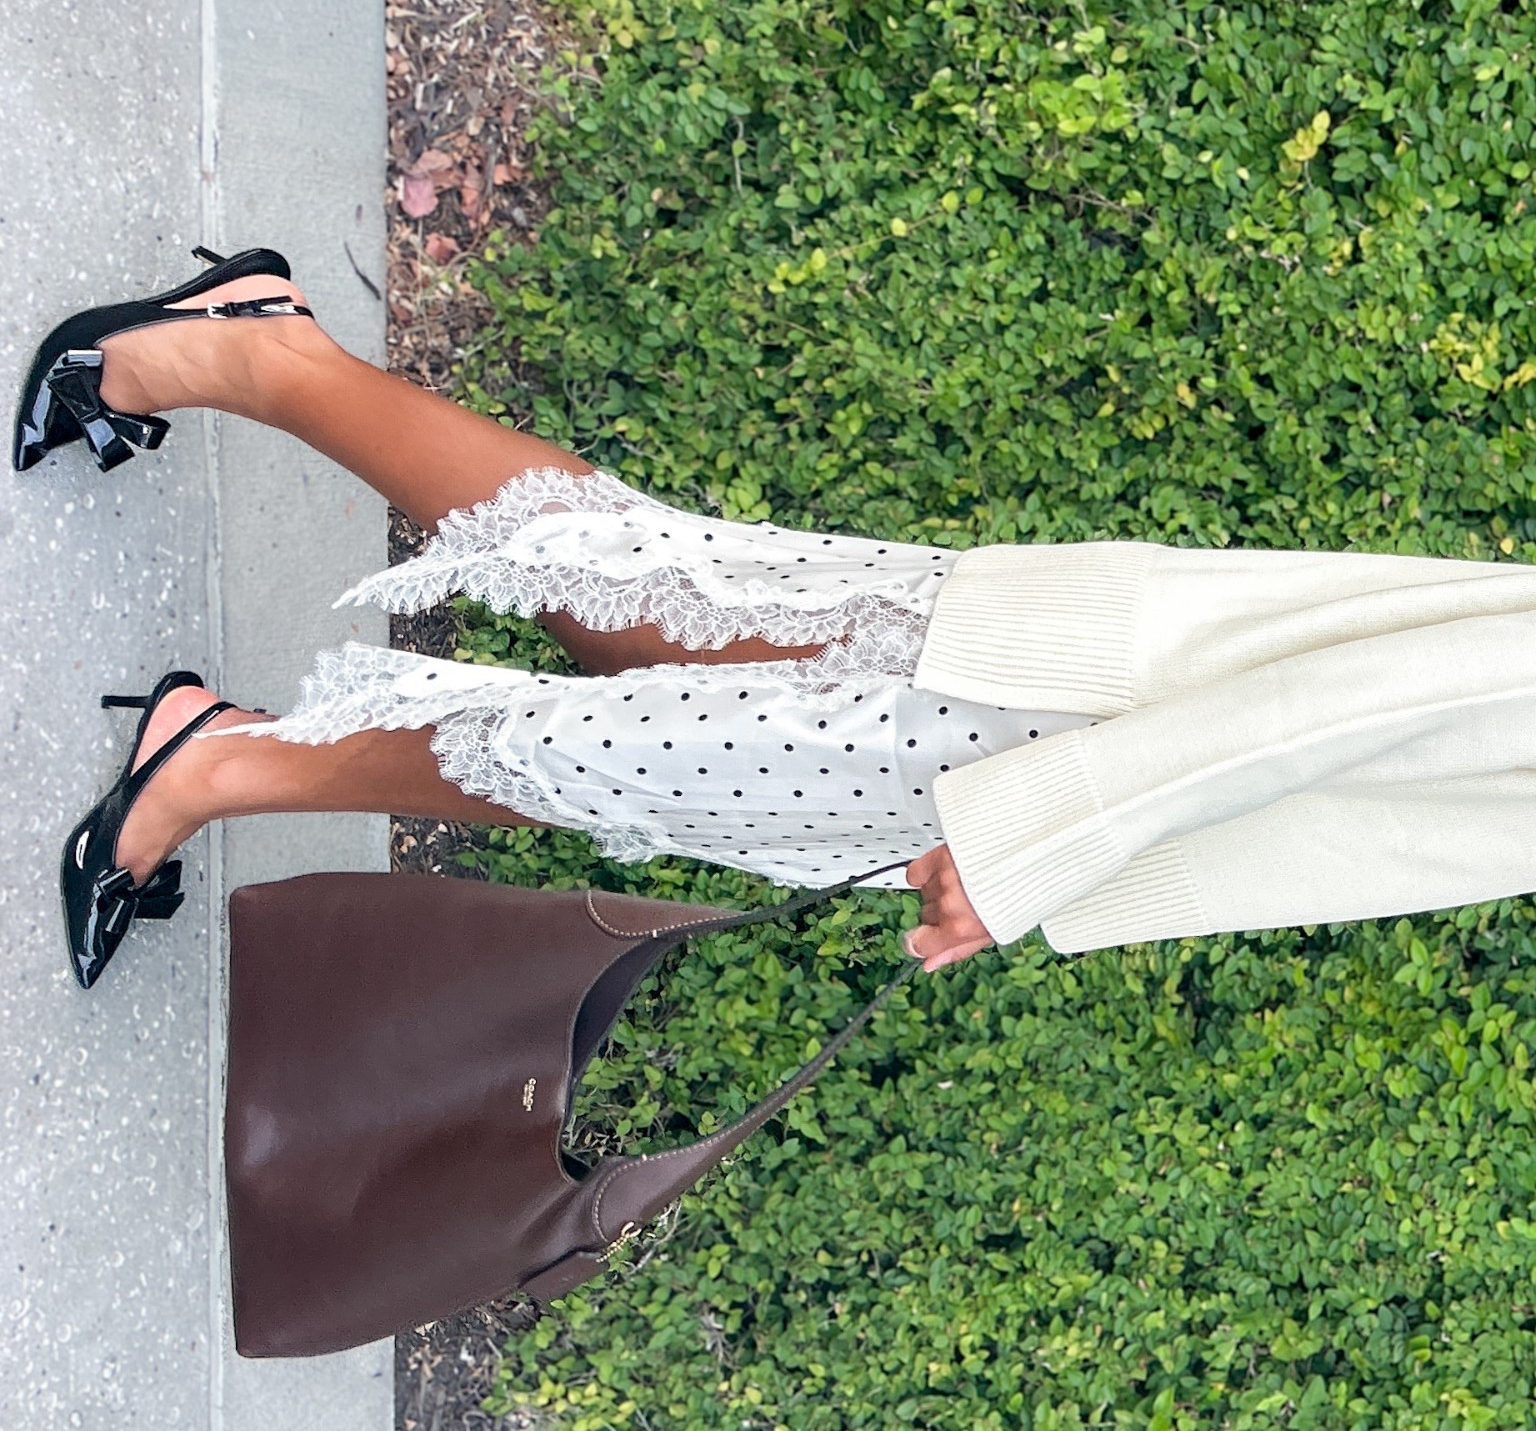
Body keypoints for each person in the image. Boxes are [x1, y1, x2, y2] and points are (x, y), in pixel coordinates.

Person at [22, 250, 1536, 990]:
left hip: (1120, 697)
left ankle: (271, 354)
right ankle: (218, 764)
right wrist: (1048, 832)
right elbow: (1404, 705)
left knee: (646, 611)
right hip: (1084, 735)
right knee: (622, 745)